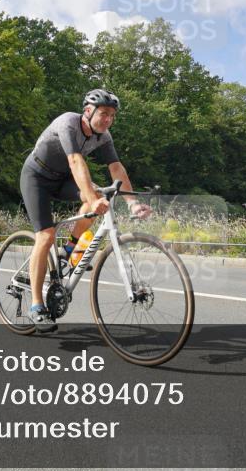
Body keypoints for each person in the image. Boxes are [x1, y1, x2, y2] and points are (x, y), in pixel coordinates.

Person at [20, 89, 152, 332]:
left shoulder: (104, 136)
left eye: (112, 115)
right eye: (104, 114)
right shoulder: (68, 123)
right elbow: (75, 161)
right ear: (88, 111)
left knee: (98, 199)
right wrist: (92, 198)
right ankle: (36, 305)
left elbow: (116, 167)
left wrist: (132, 203)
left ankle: (69, 250)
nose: (108, 120)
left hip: (63, 179)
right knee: (46, 236)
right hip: (36, 177)